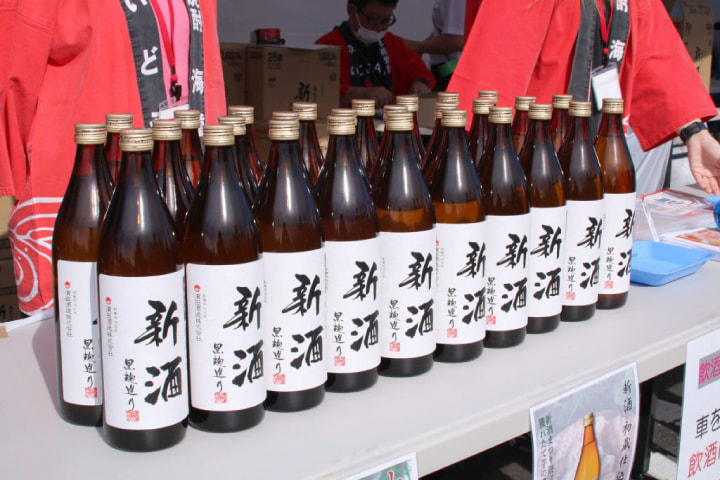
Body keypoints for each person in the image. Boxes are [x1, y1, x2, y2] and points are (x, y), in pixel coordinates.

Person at [0, 0, 226, 314]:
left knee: (191, 317)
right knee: (87, 324)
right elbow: (12, 68)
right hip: (86, 188)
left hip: (183, 179)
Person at [449, 0, 720, 195]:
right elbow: (494, 72)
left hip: (595, 147)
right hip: (531, 157)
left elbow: (654, 48)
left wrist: (695, 133)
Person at [316, 0, 435, 107]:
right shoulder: (327, 47)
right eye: (373, 19)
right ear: (352, 10)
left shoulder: (392, 43)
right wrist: (361, 93)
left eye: (386, 20)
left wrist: (421, 83)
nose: (380, 27)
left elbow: (421, 72)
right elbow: (320, 91)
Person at [404, 0, 465, 91]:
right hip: (448, 69)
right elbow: (442, 33)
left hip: (450, 70)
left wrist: (417, 47)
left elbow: (456, 40)